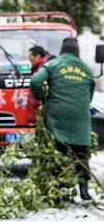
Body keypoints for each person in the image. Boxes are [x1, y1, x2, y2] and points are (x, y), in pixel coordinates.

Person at [30, 37, 95, 200]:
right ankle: (84, 191)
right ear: (77, 50)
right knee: (81, 153)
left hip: (58, 114)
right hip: (80, 116)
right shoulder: (86, 69)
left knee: (60, 150)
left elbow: (36, 80)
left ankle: (58, 190)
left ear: (62, 50)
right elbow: (90, 92)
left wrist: (41, 98)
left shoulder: (54, 64)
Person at [25, 46, 49, 125]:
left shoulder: (43, 70)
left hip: (38, 115)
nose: (29, 60)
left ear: (38, 56)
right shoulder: (38, 68)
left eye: (30, 57)